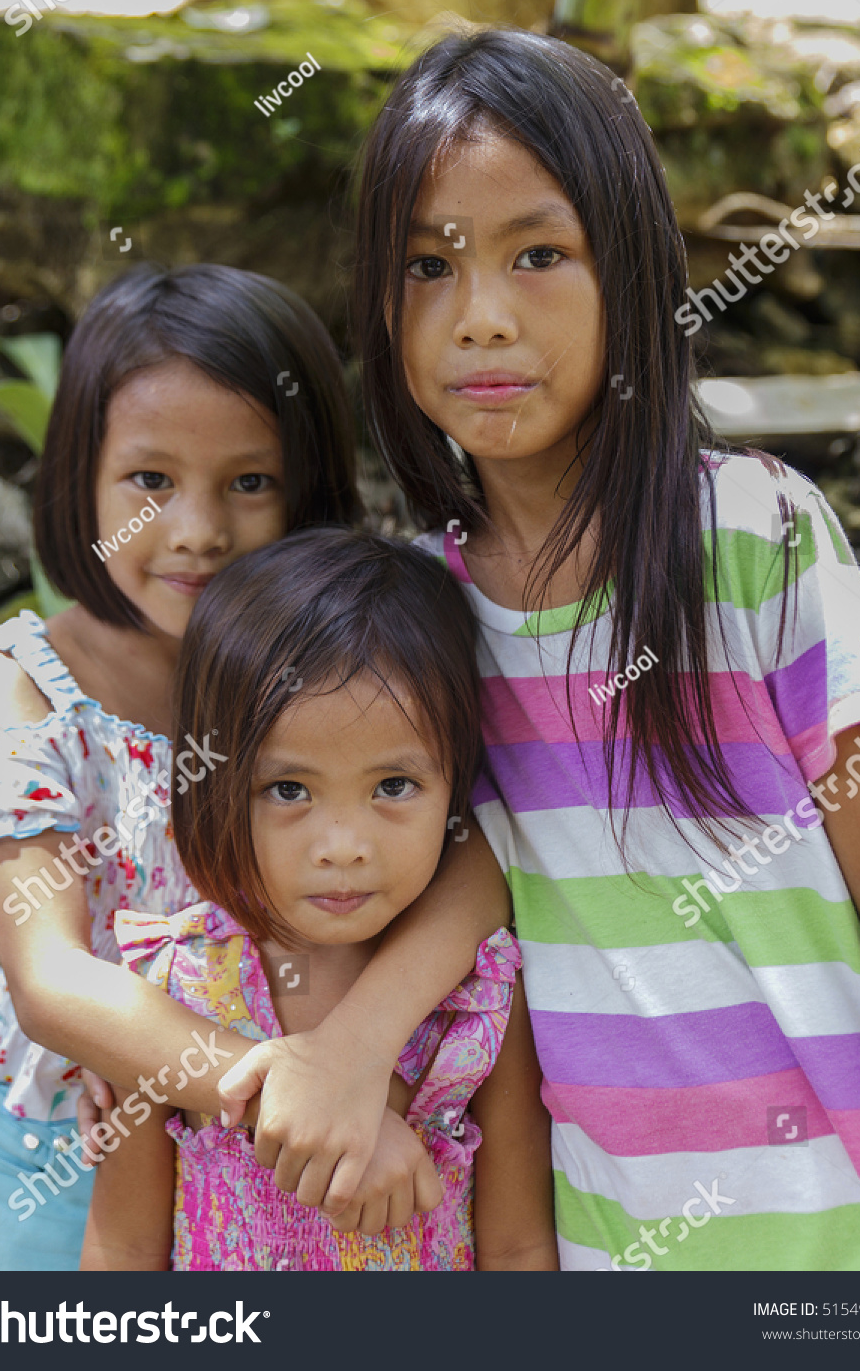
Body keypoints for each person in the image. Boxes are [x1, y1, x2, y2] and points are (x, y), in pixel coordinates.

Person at [224, 28, 860, 1271]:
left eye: (539, 255)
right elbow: (486, 872)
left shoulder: (755, 538)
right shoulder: (424, 613)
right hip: (615, 1254)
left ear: (630, 270)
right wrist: (340, 1050)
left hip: (850, 1244)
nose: (483, 318)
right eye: (426, 266)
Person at [0, 263, 507, 1270]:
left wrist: (351, 1056)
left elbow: (476, 859)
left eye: (249, 482)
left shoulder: (348, 658)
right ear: (82, 473)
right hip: (76, 1140)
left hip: (327, 1125)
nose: (197, 531)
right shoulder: (29, 685)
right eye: (149, 481)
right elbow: (50, 977)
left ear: (312, 484)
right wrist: (281, 1090)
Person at [80, 530, 556, 1271]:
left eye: (393, 787)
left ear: (457, 784)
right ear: (215, 784)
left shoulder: (484, 999)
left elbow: (520, 1244)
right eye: (289, 790)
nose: (343, 845)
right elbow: (124, 1245)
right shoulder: (169, 989)